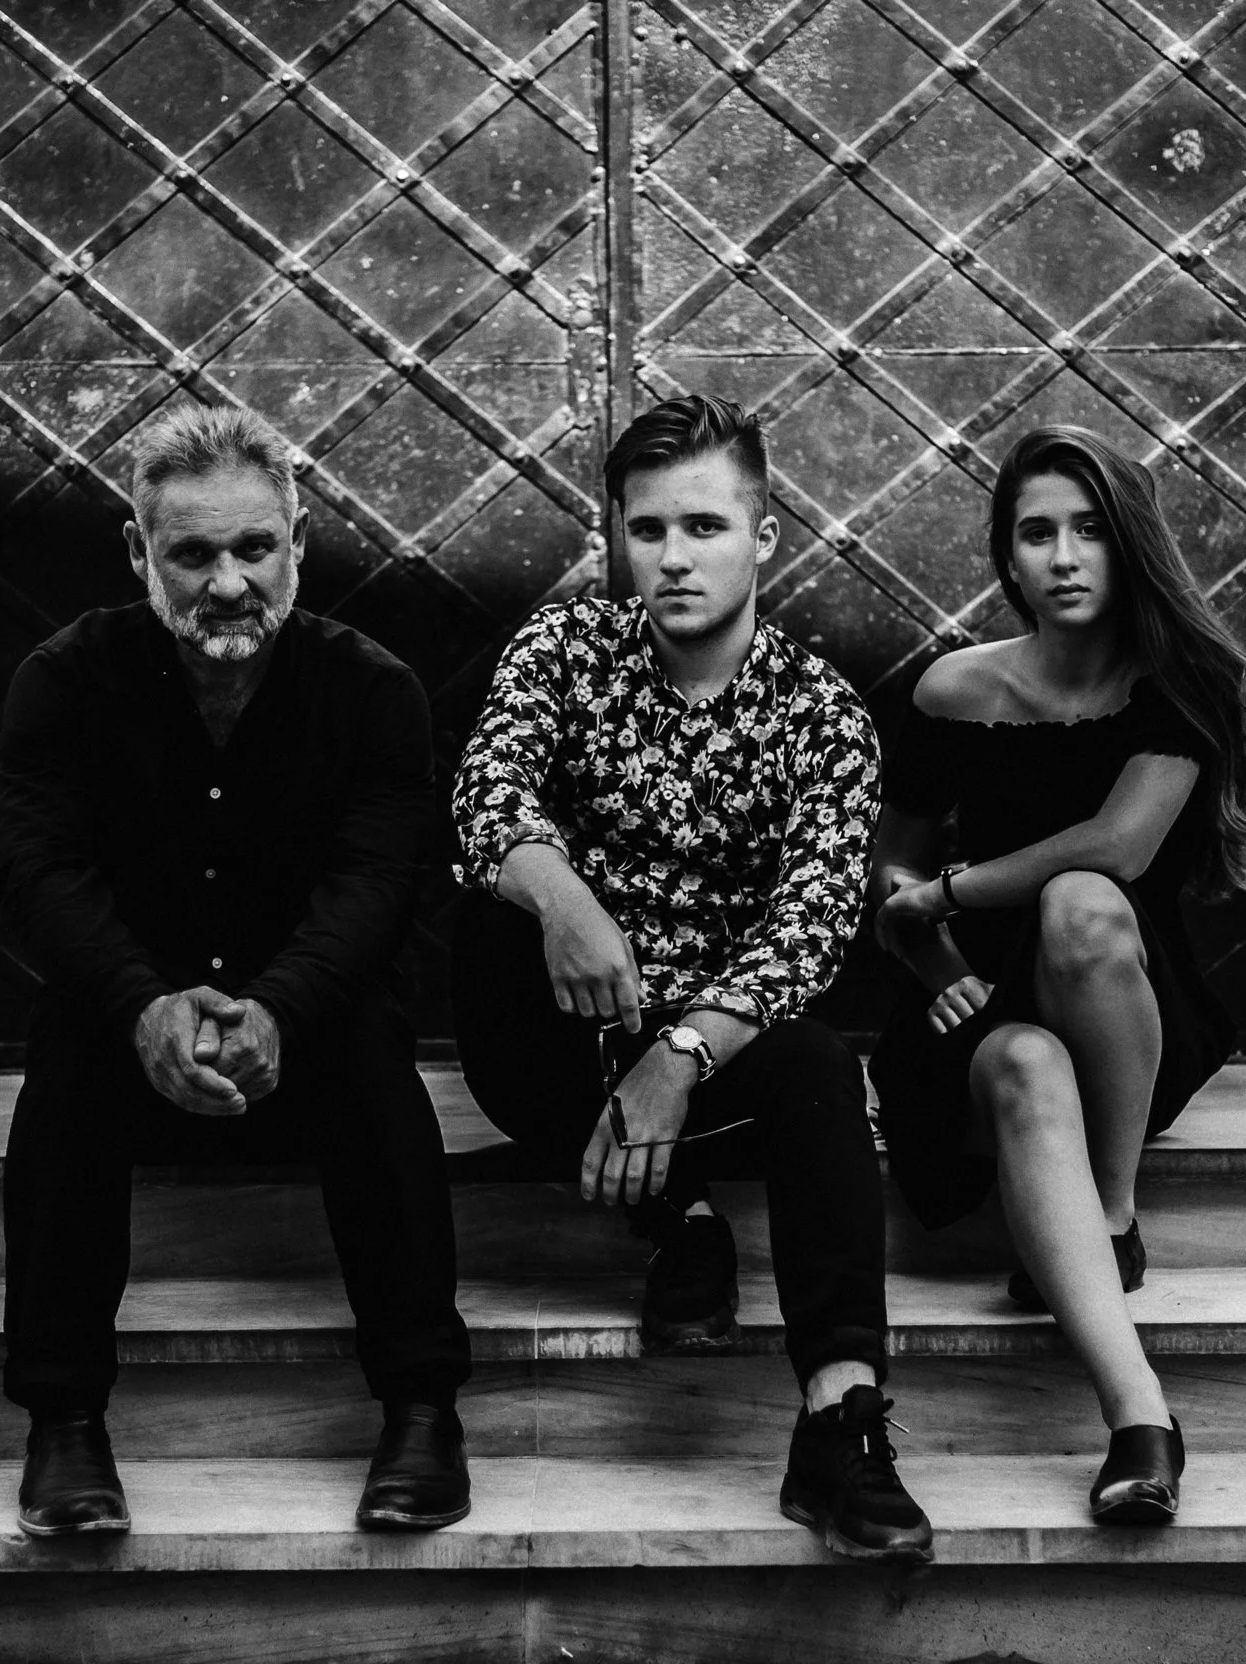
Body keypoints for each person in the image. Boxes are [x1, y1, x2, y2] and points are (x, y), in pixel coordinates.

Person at [449, 393, 933, 1564]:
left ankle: (840, 1423)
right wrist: (566, 902)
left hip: (720, 1050)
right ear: (618, 534)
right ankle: (684, 1216)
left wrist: (681, 1053)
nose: (673, 556)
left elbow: (813, 924)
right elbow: (485, 792)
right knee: (490, 920)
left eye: (704, 526)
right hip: (562, 1032)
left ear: (761, 537)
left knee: (820, 1063)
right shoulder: (565, 647)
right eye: (649, 527)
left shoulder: (822, 716)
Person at [0, 404, 472, 1537]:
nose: (227, 583)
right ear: (138, 553)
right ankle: (64, 1423)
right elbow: (37, 873)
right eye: (192, 552)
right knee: (64, 1059)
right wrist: (141, 1005)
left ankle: (422, 1411)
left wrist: (280, 1008)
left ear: (297, 543)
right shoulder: (64, 680)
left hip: (308, 1031)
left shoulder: (372, 691)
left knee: (375, 1058)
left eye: (255, 547)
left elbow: (377, 885)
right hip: (132, 1032)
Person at [867, 424, 1246, 1526]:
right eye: (1035, 532)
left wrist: (949, 893)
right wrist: (937, 962)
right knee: (1024, 1060)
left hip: (1125, 997)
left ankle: (1112, 1206)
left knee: (1079, 903)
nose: (1062, 556)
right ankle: (1142, 1420)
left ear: (1128, 544)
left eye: (1089, 530)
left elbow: (1118, 846)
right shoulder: (955, 688)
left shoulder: (1181, 681)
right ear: (1006, 554)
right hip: (985, 1012)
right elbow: (889, 872)